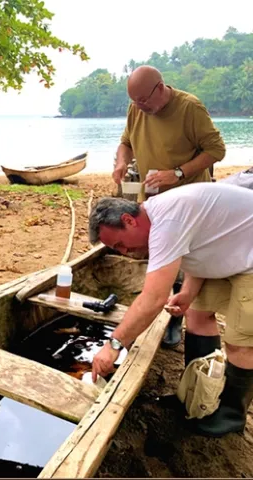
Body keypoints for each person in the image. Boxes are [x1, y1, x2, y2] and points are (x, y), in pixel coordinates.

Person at [89, 183, 253, 437]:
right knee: (197, 315)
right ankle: (198, 394)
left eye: (120, 244)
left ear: (128, 220)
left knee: (241, 343)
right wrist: (188, 292)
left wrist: (114, 344)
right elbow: (201, 244)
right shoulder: (160, 216)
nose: (124, 252)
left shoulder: (167, 222)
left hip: (250, 258)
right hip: (232, 251)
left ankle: (231, 414)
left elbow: (153, 299)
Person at [112, 65, 226, 348]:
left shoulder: (190, 108)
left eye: (144, 102)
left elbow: (217, 150)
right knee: (160, 260)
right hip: (152, 200)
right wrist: (121, 162)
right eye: (135, 103)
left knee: (190, 262)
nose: (140, 108)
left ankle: (178, 319)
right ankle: (155, 315)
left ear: (160, 88)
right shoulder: (137, 108)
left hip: (190, 200)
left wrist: (176, 173)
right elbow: (126, 142)